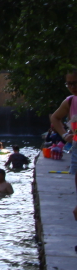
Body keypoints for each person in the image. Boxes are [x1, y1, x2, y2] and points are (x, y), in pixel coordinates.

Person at [50, 69, 77, 209]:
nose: (72, 87)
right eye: (69, 84)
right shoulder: (71, 101)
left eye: (75, 83)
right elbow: (55, 117)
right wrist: (65, 135)